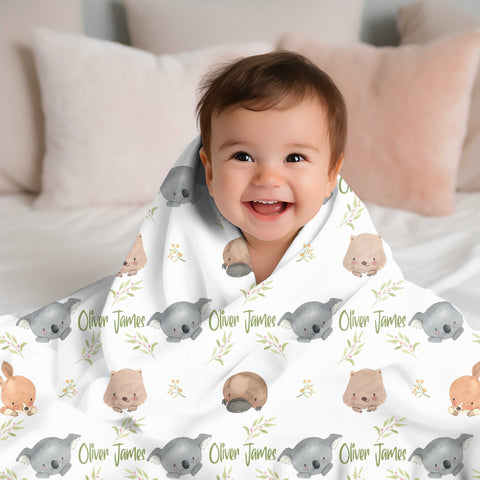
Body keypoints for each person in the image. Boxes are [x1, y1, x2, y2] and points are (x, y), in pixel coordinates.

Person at [196, 50, 346, 284]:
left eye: (294, 158)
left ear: (330, 175)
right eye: (243, 157)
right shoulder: (186, 255)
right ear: (210, 172)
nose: (267, 178)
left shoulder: (349, 256)